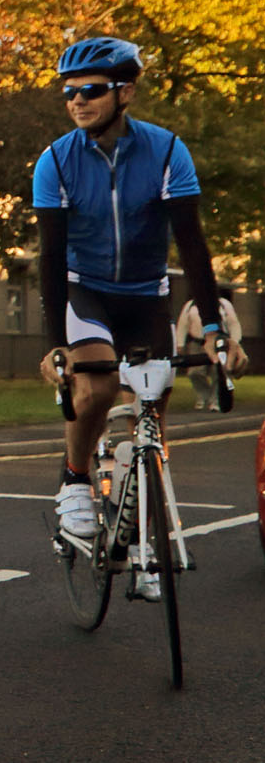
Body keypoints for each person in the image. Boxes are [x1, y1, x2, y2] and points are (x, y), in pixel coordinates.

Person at [33, 37, 246, 564]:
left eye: (91, 90)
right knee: (98, 388)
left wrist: (215, 330)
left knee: (153, 404)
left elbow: (193, 245)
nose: (77, 100)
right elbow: (51, 258)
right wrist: (56, 344)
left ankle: (140, 499)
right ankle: (76, 480)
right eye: (69, 92)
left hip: (147, 293)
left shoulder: (167, 151)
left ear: (125, 92)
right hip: (86, 290)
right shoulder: (55, 162)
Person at [174, 295, 244, 412]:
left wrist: (235, 341)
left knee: (218, 373)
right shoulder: (191, 305)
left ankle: (215, 401)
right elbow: (183, 324)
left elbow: (233, 323)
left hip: (219, 342)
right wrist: (180, 343)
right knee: (194, 373)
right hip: (197, 343)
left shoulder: (223, 304)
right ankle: (204, 395)